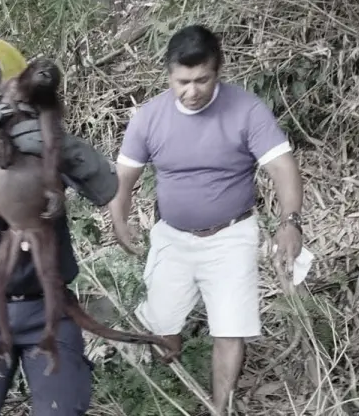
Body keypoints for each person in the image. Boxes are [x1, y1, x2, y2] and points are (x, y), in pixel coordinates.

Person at [107, 24, 304, 415]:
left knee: (230, 330)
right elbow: (123, 179)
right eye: (183, 81)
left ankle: (219, 408)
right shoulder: (149, 117)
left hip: (232, 235)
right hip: (171, 237)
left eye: (202, 80)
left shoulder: (247, 110)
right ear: (168, 74)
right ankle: (173, 368)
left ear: (219, 70)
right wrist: (119, 219)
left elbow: (283, 169)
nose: (192, 91)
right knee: (161, 329)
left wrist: (290, 221)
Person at [0, 36, 121, 416]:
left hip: (50, 304)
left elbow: (106, 186)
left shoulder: (45, 145)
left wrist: (57, 145)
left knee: (62, 408)